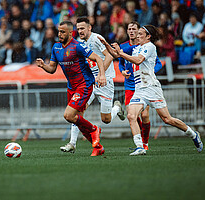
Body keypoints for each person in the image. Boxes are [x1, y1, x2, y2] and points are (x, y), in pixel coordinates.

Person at [99, 25, 203, 155]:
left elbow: (138, 60)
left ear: (148, 36)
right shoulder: (137, 48)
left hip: (151, 88)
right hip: (139, 89)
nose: (137, 35)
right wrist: (106, 45)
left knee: (167, 119)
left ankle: (193, 134)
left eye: (141, 33)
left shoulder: (150, 47)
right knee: (131, 115)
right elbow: (117, 54)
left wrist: (120, 53)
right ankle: (140, 147)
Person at [36, 21, 106, 156]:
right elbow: (52, 69)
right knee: (77, 120)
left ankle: (94, 129)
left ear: (70, 33)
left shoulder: (78, 46)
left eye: (63, 32)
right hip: (71, 87)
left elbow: (97, 58)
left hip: (84, 85)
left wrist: (102, 75)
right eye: (59, 31)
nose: (60, 34)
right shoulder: (56, 47)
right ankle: (97, 147)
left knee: (68, 115)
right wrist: (43, 65)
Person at [60, 17, 125, 154]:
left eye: (83, 28)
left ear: (90, 28)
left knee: (106, 119)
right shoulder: (79, 42)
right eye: (78, 29)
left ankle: (117, 108)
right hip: (89, 82)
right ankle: (72, 143)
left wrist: (101, 75)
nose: (80, 31)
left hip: (104, 81)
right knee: (77, 112)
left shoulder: (96, 38)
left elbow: (109, 56)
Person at [118, 21, 162, 150]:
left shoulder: (146, 46)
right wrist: (122, 70)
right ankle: (140, 143)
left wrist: (149, 71)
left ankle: (145, 143)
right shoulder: (124, 46)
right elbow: (121, 61)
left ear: (139, 31)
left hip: (144, 84)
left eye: (134, 29)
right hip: (129, 84)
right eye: (129, 29)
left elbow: (157, 63)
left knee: (144, 115)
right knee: (131, 114)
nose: (131, 31)